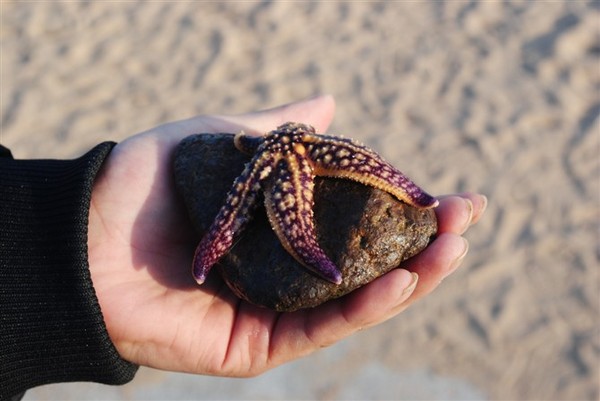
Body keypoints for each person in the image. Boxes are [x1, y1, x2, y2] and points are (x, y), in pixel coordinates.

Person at [0, 95, 486, 399]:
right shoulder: (272, 161)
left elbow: (381, 175)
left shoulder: (269, 156)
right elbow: (243, 215)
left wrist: (60, 236)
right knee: (256, 226)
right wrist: (75, 238)